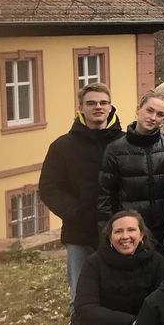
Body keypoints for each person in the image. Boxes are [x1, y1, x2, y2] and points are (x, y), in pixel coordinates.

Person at [40, 82, 123, 302]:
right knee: (81, 294)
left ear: (111, 107)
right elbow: (49, 188)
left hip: (121, 232)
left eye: (103, 102)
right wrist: (78, 213)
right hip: (79, 233)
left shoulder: (124, 142)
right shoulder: (62, 146)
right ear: (81, 108)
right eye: (91, 103)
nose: (98, 107)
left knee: (120, 291)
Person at [98, 91, 164, 257]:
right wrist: (108, 231)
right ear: (138, 109)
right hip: (132, 231)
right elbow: (105, 194)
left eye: (160, 114)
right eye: (149, 110)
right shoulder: (115, 149)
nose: (153, 117)